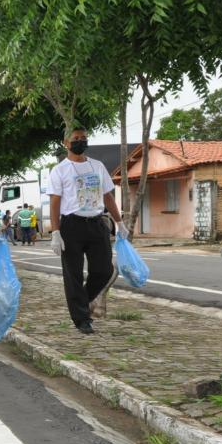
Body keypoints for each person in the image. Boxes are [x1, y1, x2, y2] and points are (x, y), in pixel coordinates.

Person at [49, 127, 128, 335]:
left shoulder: (97, 166)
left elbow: (108, 196)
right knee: (73, 274)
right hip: (71, 226)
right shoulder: (59, 170)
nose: (80, 141)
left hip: (96, 223)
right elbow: (55, 202)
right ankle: (82, 319)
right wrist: (55, 232)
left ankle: (82, 302)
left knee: (104, 271)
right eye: (76, 138)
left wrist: (119, 222)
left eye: (84, 138)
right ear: (66, 142)